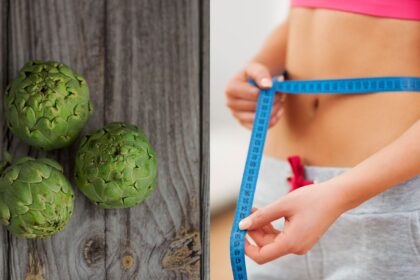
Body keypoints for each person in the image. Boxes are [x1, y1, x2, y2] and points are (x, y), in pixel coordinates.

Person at [225, 1, 420, 279]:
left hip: (382, 200)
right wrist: (260, 69)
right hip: (277, 188)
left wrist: (339, 194)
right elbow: (310, 14)